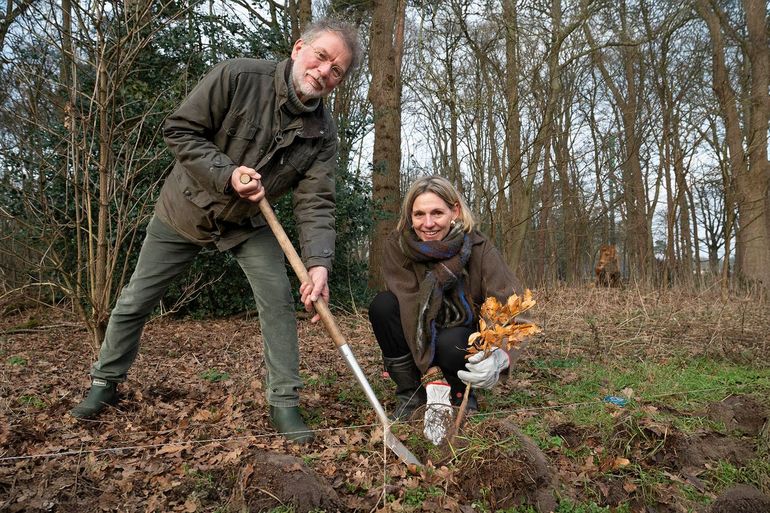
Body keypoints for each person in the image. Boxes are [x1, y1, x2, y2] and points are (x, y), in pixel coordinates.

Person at [70, 18, 363, 445]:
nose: (324, 71)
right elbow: (179, 129)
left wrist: (318, 264)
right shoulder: (238, 75)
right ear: (300, 48)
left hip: (246, 223)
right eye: (322, 56)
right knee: (136, 298)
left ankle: (284, 405)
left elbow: (316, 202)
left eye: (337, 70)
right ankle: (104, 384)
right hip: (186, 208)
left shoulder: (322, 133)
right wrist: (227, 174)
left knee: (279, 300)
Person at [368, 175, 528, 443]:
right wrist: (430, 374)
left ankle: (459, 393)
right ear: (410, 216)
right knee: (382, 306)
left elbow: (511, 307)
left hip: (459, 334)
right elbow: (410, 311)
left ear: (454, 211)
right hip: (416, 332)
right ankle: (411, 393)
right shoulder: (397, 248)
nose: (427, 223)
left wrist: (502, 355)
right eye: (419, 214)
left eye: (437, 213)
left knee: (451, 339)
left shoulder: (478, 248)